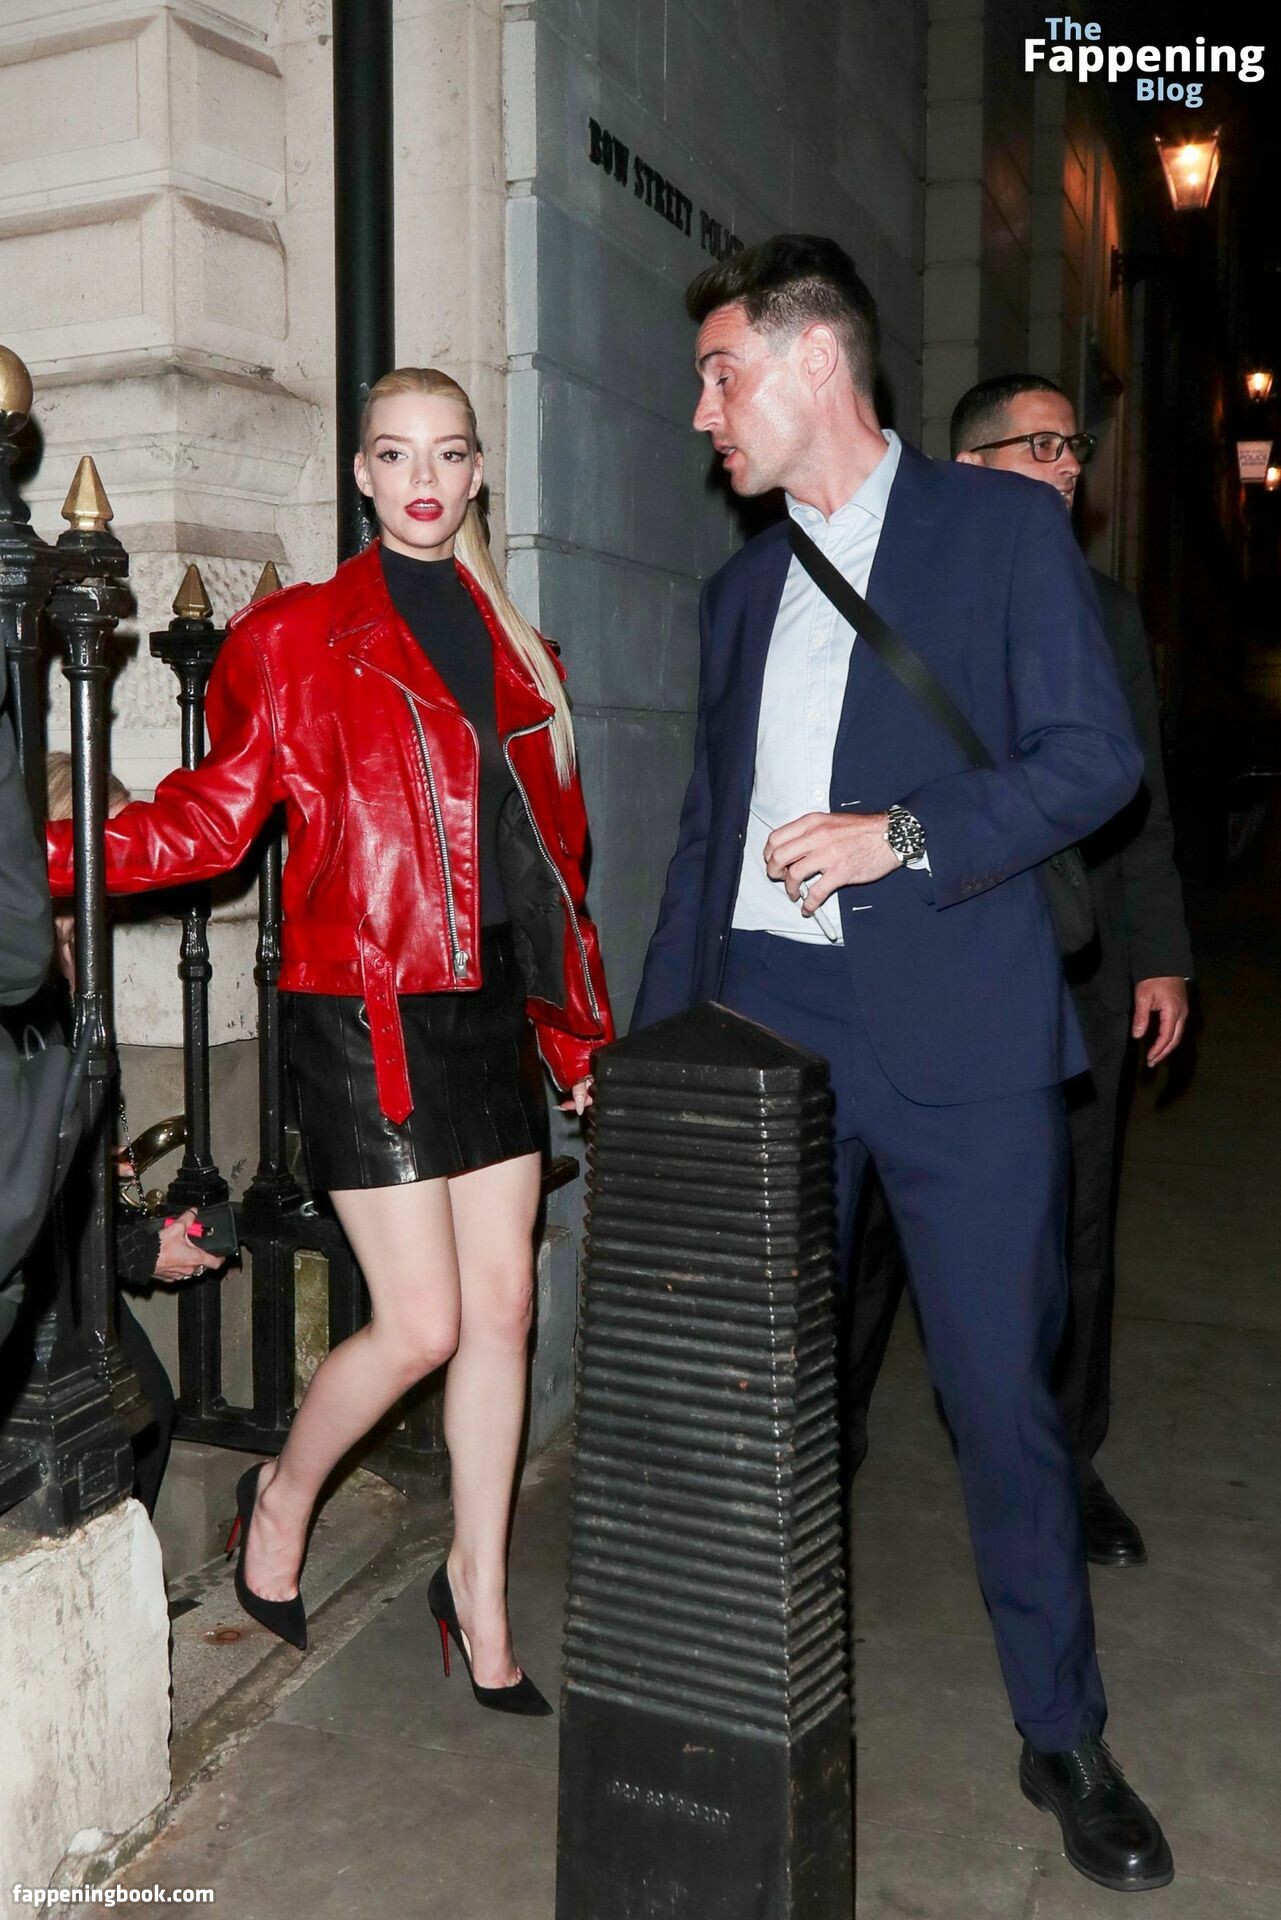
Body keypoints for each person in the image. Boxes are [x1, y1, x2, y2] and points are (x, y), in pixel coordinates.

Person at [633, 236, 1173, 1891]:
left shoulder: (998, 532)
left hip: (961, 1037)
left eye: (721, 372)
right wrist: (653, 1055)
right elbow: (708, 839)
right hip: (766, 1028)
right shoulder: (738, 595)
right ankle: (724, 1702)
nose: (703, 409)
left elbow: (1094, 759)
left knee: (1000, 1396)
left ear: (814, 364)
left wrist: (907, 833)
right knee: (753, 1391)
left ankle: (1061, 1730)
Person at [48, 368, 614, 1711]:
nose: (425, 479)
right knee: (421, 1325)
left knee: (505, 1310)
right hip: (367, 1014)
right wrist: (48, 858)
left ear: (477, 472)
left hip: (485, 1012)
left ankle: (476, 1587)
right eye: (395, 454)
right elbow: (210, 820)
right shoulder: (299, 639)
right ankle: (284, 1498)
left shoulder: (526, 653)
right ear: (361, 473)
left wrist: (572, 1035)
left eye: (450, 454)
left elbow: (548, 872)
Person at [43, 750, 224, 1515]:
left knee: (143, 1410)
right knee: (130, 1420)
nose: (123, 865)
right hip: (39, 1274)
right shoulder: (27, 978)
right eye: (108, 845)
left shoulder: (65, 961)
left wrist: (97, 1161)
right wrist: (139, 1249)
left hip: (60, 1249)